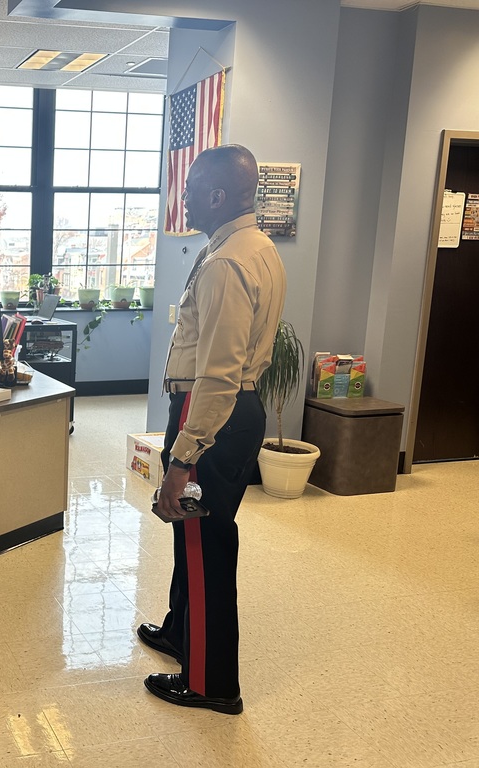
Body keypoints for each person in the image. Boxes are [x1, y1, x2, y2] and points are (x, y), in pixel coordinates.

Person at [140, 144, 286, 715]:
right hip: (228, 412)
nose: (184, 198)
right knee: (192, 537)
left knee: (205, 544)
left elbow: (219, 376)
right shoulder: (255, 247)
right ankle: (182, 632)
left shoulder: (227, 261)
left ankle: (211, 682)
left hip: (214, 416)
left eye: (193, 189)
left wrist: (182, 461)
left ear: (218, 195)